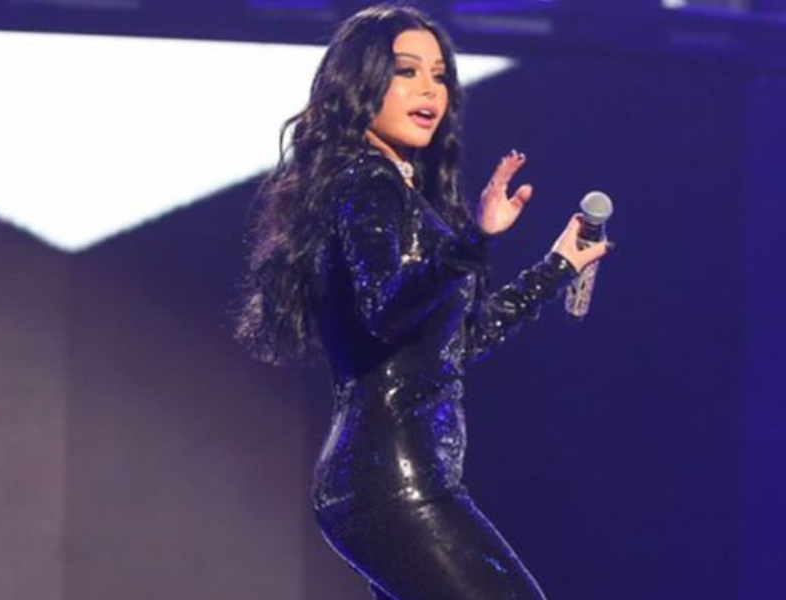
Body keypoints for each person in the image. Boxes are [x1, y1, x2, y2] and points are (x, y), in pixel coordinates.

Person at [234, 3, 611, 599]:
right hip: (394, 480)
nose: (430, 89)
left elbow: (458, 342)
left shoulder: (389, 189)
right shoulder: (367, 181)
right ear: (362, 83)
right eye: (407, 71)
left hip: (393, 481)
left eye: (439, 75)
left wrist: (557, 267)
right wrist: (474, 240)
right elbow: (387, 310)